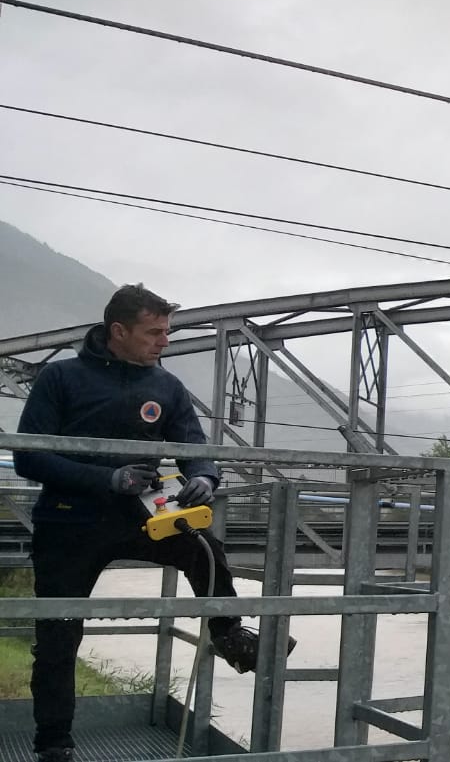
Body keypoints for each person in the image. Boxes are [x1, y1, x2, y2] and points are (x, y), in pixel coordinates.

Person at [14, 284, 290, 762]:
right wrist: (107, 477)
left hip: (142, 514)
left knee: (203, 547)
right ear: (118, 331)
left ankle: (228, 634)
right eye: (154, 332)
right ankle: (53, 744)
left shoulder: (167, 387)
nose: (165, 341)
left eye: (167, 331)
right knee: (58, 635)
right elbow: (28, 458)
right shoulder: (60, 379)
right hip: (69, 520)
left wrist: (204, 476)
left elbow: (196, 449)